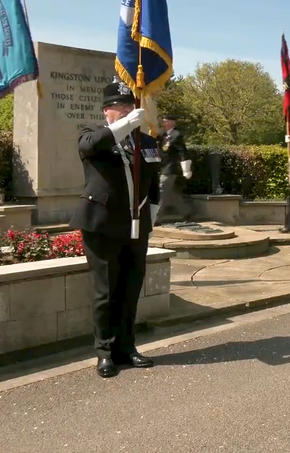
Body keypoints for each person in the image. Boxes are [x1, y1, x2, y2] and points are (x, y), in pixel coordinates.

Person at [69, 81, 162, 379]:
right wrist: (123, 126)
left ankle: (127, 347)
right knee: (106, 290)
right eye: (118, 108)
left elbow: (154, 180)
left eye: (128, 108)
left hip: (136, 225)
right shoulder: (92, 134)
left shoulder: (146, 141)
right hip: (102, 224)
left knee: (131, 287)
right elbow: (90, 147)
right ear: (105, 111)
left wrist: (153, 211)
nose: (124, 112)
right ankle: (105, 352)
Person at [155, 114, 192, 224]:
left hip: (171, 168)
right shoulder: (162, 134)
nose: (164, 123)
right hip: (163, 166)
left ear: (172, 123)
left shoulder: (177, 135)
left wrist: (186, 169)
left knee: (162, 190)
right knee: (171, 194)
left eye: (166, 121)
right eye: (164, 121)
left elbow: (183, 151)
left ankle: (156, 218)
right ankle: (186, 212)